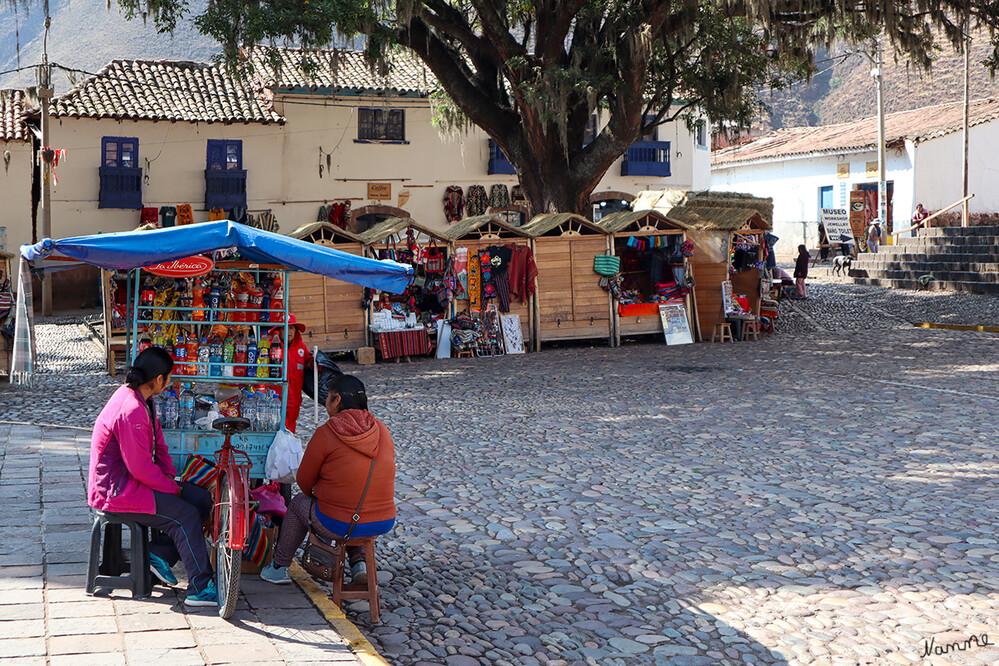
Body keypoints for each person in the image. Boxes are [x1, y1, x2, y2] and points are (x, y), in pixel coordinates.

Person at [88, 348, 216, 607]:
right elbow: (140, 468)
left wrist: (170, 478)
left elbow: (159, 446)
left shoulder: (144, 400)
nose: (169, 381)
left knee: (201, 500)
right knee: (186, 515)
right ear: (159, 379)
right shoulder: (131, 408)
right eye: (168, 377)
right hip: (118, 490)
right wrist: (171, 489)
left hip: (134, 481)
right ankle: (200, 588)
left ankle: (157, 556)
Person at [261, 374, 396, 585]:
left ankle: (279, 567)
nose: (325, 402)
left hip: (338, 522)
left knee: (298, 504)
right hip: (383, 520)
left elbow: (304, 483)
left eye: (327, 397)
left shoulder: (327, 432)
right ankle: (359, 564)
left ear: (337, 400)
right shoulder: (382, 430)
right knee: (353, 504)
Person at [270, 313, 314, 433]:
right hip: (274, 401)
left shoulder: (302, 348)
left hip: (294, 401)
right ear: (278, 330)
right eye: (284, 328)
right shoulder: (270, 346)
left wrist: (316, 362)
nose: (288, 331)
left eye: (291, 327)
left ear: (296, 330)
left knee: (290, 434)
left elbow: (309, 365)